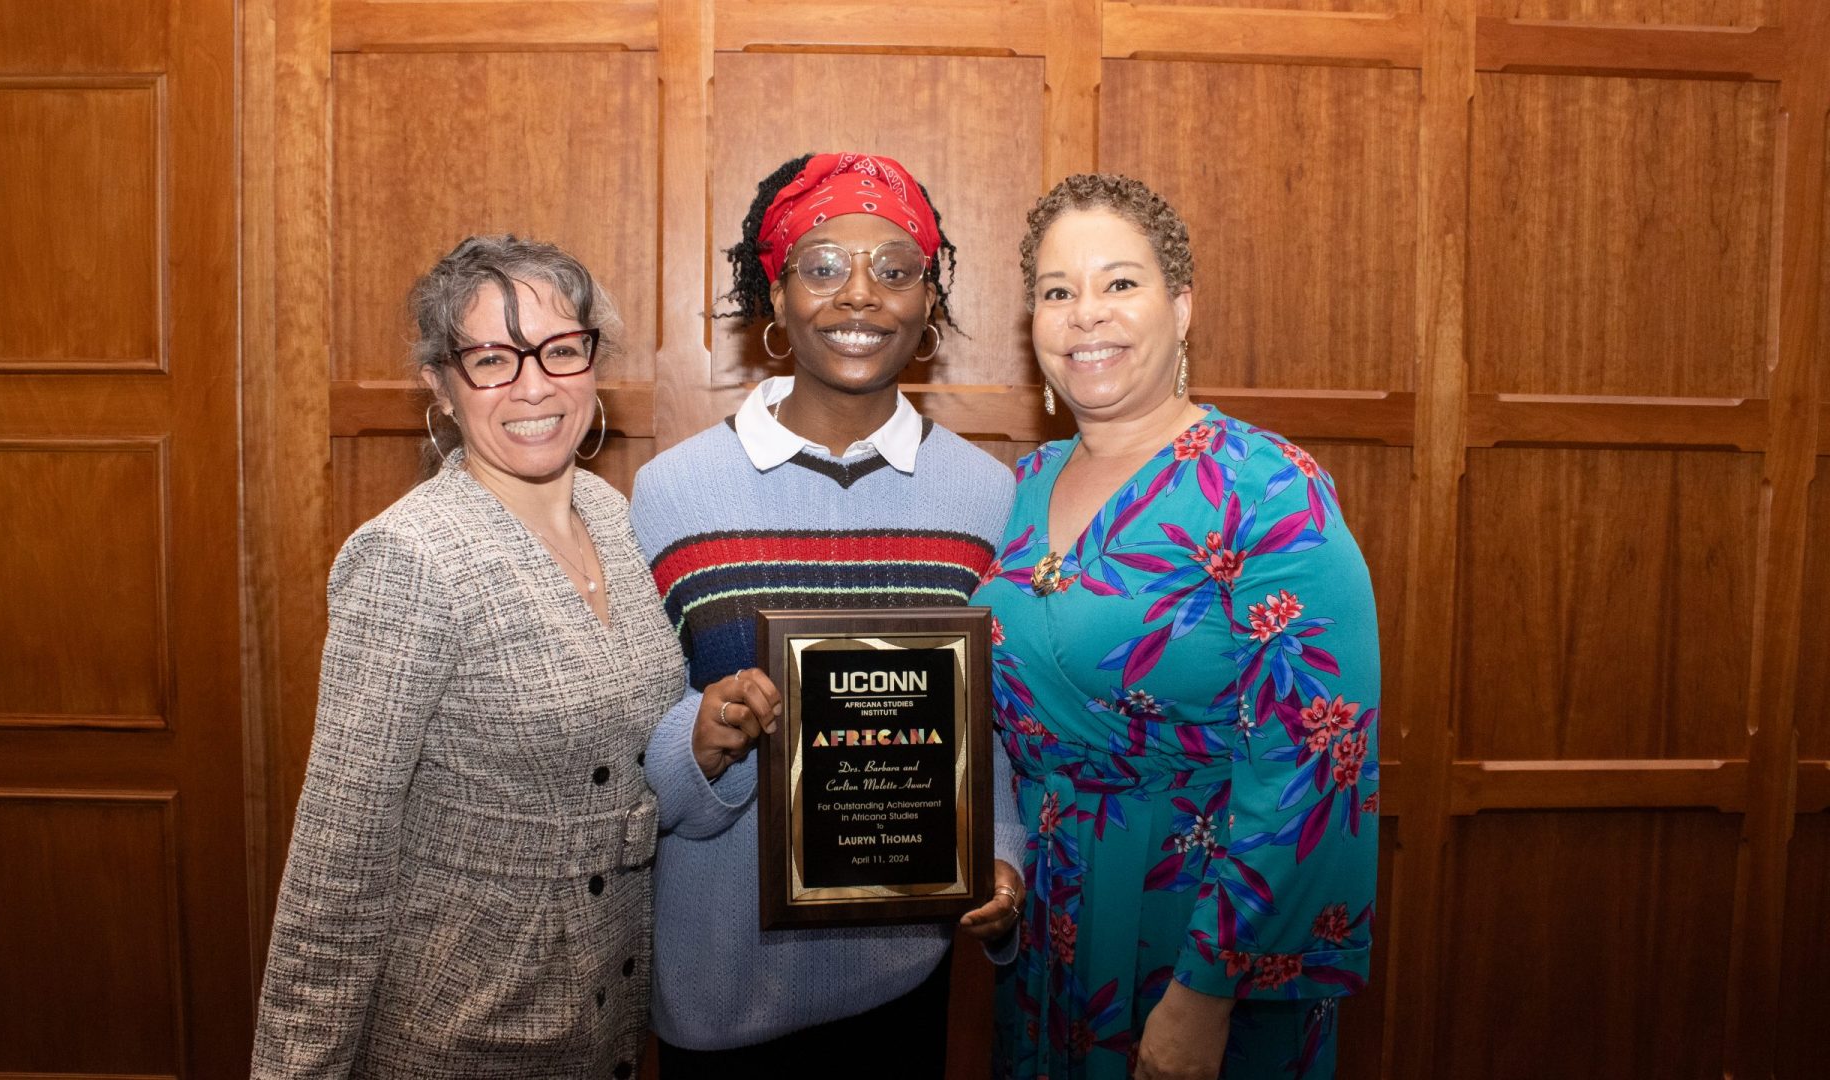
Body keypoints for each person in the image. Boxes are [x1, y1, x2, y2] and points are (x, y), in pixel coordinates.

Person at [628, 152, 1027, 1078]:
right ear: (774, 295)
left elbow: (994, 728)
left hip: (903, 978)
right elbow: (628, 744)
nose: (860, 297)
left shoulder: (985, 497)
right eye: (822, 267)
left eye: (894, 269)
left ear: (929, 301)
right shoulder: (669, 494)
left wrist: (1001, 862)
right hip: (717, 987)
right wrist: (702, 738)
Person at [251, 236, 686, 1079]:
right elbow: (337, 860)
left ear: (595, 362)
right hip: (466, 1029)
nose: (534, 386)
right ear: (441, 386)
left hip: (611, 1018)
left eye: (561, 350)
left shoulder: (619, 517)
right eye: (492, 358)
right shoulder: (410, 558)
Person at [975, 175, 1379, 1080]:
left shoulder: (1268, 489)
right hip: (1049, 924)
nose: (1086, 315)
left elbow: (1316, 764)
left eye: (1120, 283)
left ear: (1181, 306)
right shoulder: (1025, 485)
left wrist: (1210, 989)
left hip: (1199, 933)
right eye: (1056, 290)